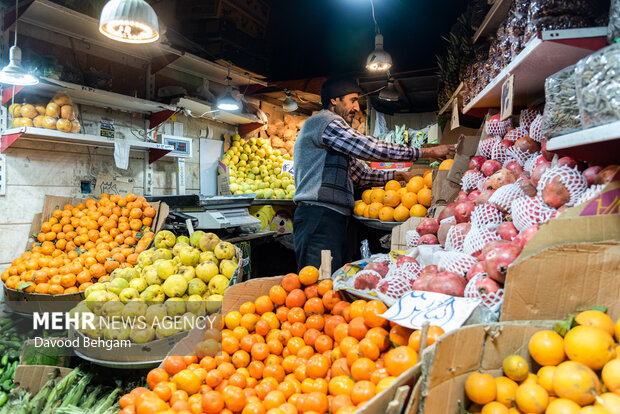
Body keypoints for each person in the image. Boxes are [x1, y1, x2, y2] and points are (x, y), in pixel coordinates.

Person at [292, 77, 455, 272]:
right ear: (334, 100)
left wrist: (398, 176)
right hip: (318, 216)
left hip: (333, 218)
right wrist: (427, 152)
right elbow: (369, 148)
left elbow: (359, 175)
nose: (356, 108)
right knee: (318, 281)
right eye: (352, 100)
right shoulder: (325, 121)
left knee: (334, 280)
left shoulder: (333, 137)